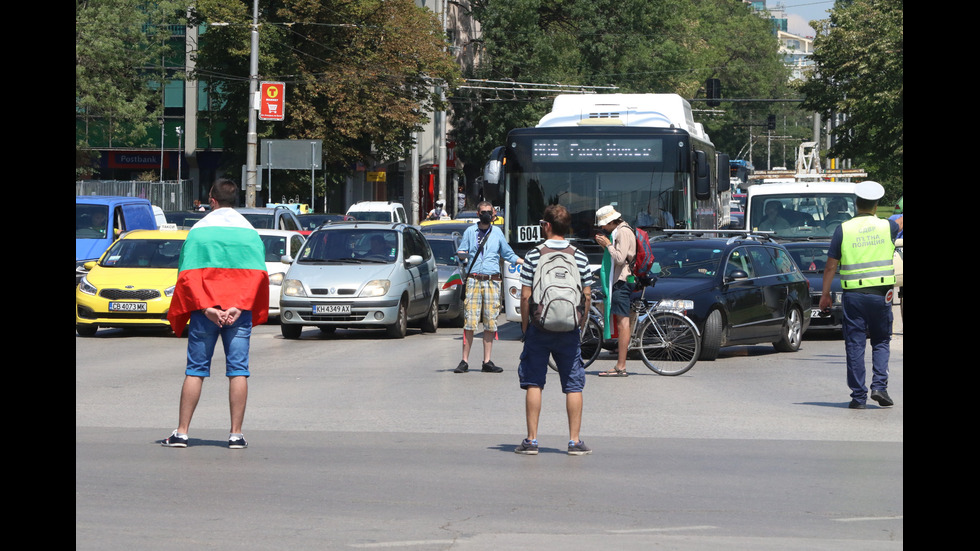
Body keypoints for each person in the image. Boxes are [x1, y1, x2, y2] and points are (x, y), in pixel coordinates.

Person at [162, 178, 270, 448]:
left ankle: (182, 432)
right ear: (236, 200)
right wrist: (238, 306)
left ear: (212, 200)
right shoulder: (249, 232)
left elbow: (187, 276)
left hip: (204, 312)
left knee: (195, 370)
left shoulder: (199, 231)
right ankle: (235, 435)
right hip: (238, 312)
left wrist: (206, 308)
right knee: (238, 371)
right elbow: (257, 275)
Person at [515, 204, 594, 455]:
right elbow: (588, 295)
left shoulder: (533, 255)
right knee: (573, 384)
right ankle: (574, 442)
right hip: (569, 328)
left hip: (540, 326)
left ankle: (531, 441)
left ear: (546, 226)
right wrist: (579, 324)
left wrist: (526, 328)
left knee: (534, 382)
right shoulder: (579, 255)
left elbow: (526, 297)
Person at [819, 181, 899, 410]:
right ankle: (879, 387)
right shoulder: (888, 227)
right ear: (876, 205)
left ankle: (858, 397)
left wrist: (825, 295)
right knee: (881, 340)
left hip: (853, 295)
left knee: (855, 344)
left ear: (856, 204)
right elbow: (900, 221)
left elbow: (830, 267)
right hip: (881, 294)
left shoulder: (843, 229)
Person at [454, 201, 523, 373]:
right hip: (474, 279)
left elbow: (507, 253)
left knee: (490, 322)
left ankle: (487, 361)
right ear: (478, 213)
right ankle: (464, 361)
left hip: (492, 281)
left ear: (493, 214)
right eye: (483, 211)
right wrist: (462, 255)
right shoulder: (470, 232)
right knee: (470, 321)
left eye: (489, 212)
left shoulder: (497, 232)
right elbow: (462, 251)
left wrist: (524, 262)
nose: (486, 214)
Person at [593, 205, 636, 377]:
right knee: (621, 321)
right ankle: (620, 365)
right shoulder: (618, 231)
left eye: (604, 225)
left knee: (622, 323)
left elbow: (619, 258)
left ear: (611, 221)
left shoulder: (623, 231)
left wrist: (608, 244)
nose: (602, 228)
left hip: (622, 280)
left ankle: (621, 366)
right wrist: (607, 245)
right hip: (620, 279)